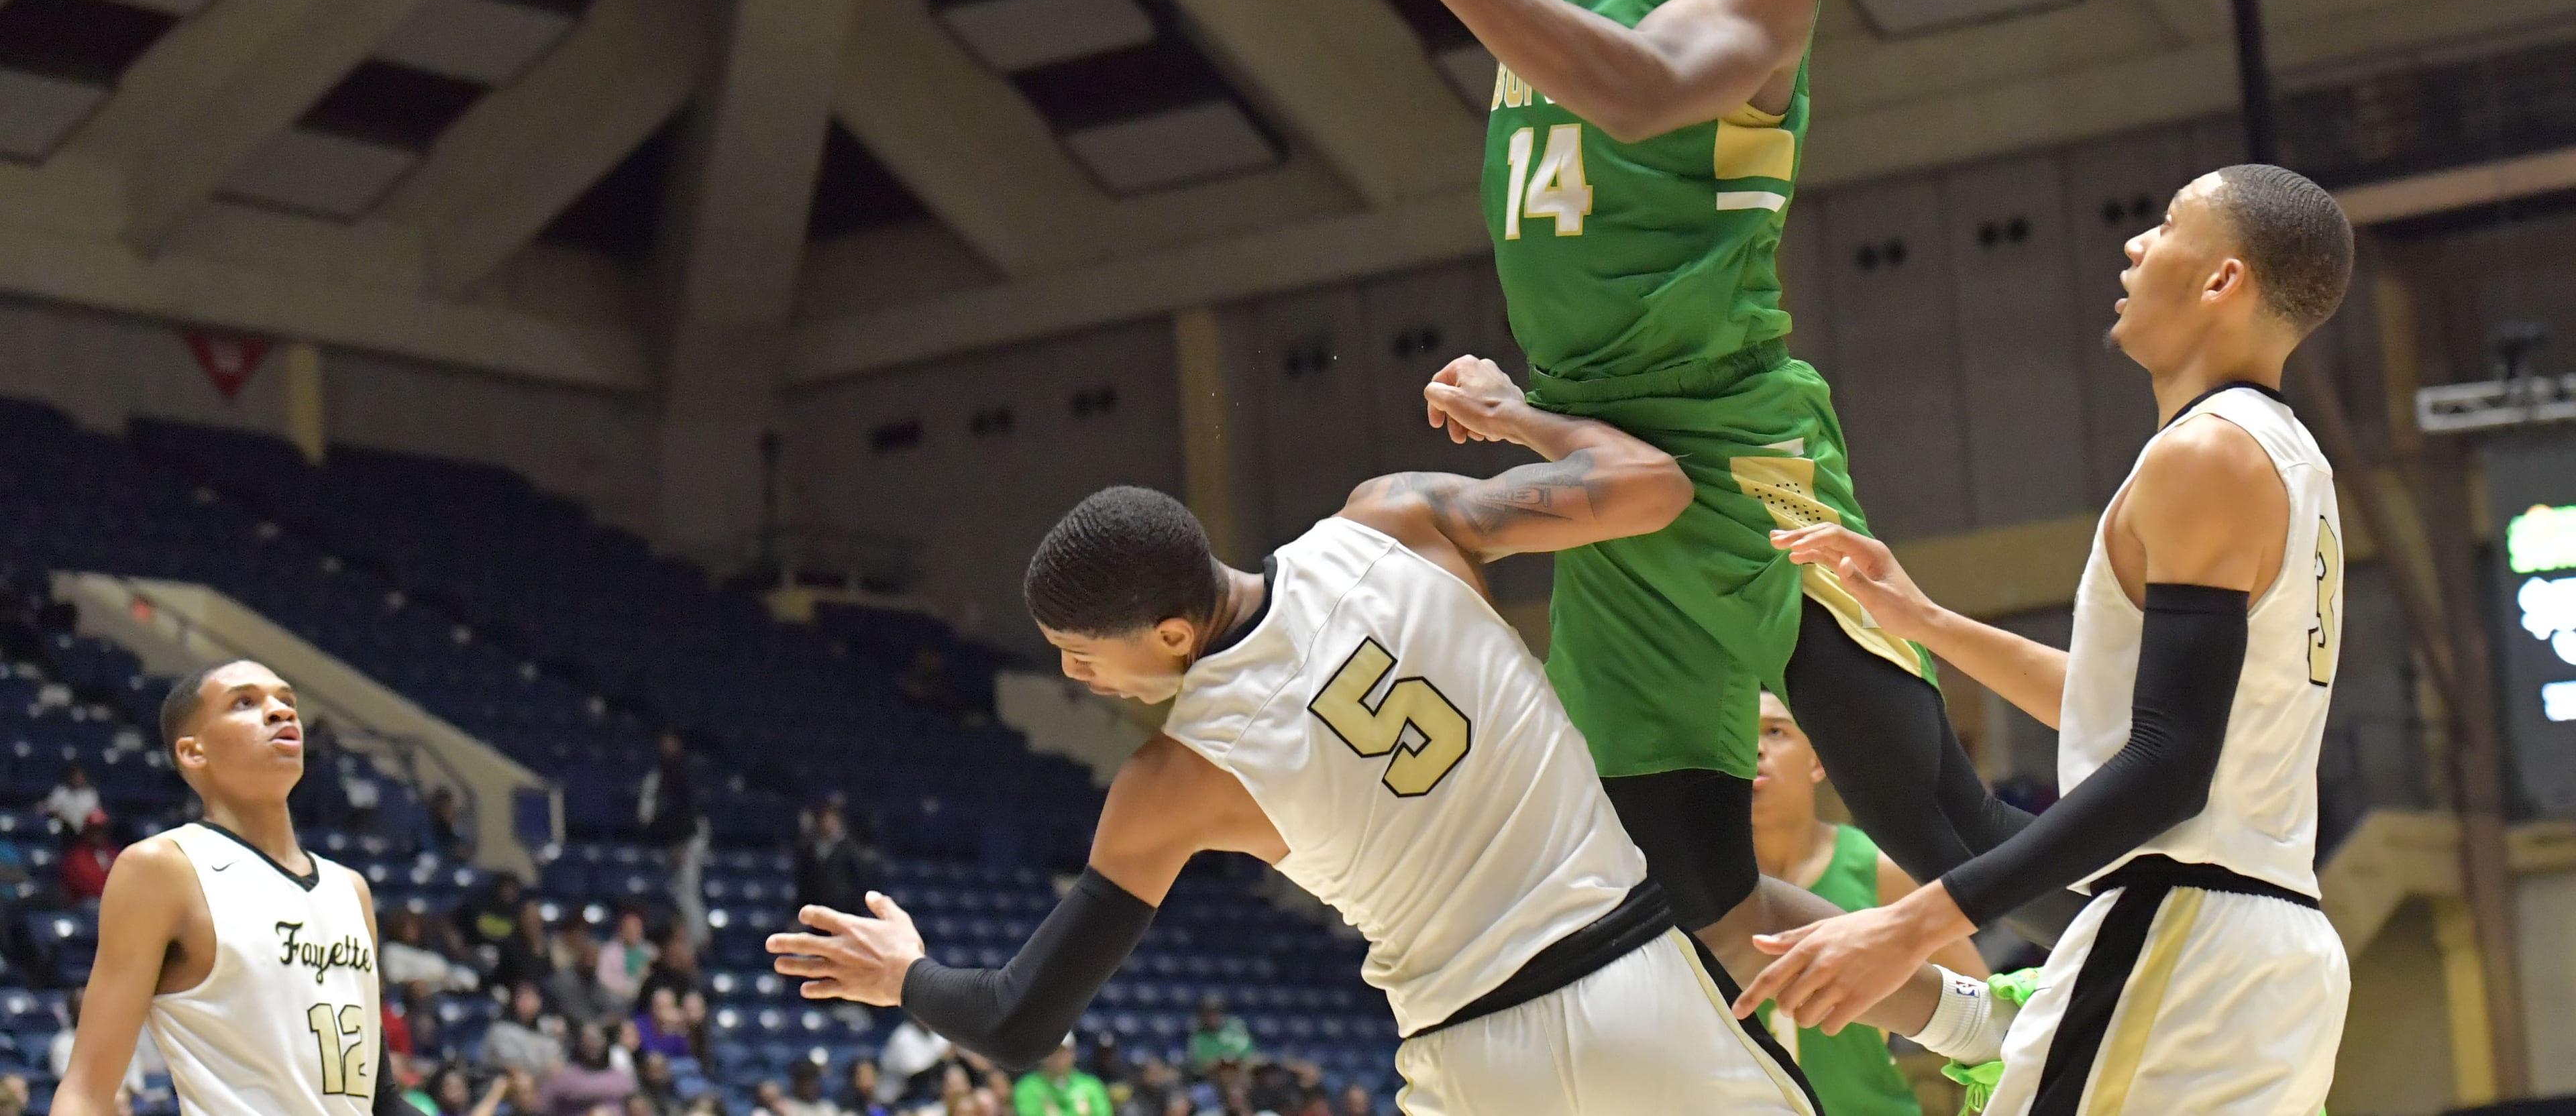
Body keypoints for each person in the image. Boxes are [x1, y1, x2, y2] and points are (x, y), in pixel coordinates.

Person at [1299, 0, 2056, 961]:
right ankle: (1962, 1043)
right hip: (1597, 458)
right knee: (1687, 894)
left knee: (1934, 825)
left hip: (1740, 448)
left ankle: (2177, 991)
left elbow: (1639, 92)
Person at [768, 355, 1972, 1113]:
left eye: (1086, 653)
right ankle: (1998, 1026)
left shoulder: (1171, 778)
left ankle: (1994, 1024)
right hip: (1636, 992)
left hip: (1469, 1062)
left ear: (1176, 631)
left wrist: (902, 975)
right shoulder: (1395, 522)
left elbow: (1022, 1018)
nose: (1074, 675)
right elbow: (1651, 483)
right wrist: (1513, 413)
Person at [1737, 167, 2357, 1116]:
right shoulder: (2283, 453)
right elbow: (2146, 711)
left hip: (2184, 935)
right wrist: (1929, 622)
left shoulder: (2205, 454)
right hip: (2263, 949)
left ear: (2223, 281)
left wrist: (1913, 921)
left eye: (2166, 222)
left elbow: (2168, 765)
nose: (2137, 243)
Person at [52, 659, 405, 1116]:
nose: (281, 711)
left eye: (286, 700)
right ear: (194, 751)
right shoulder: (164, 868)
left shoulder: (350, 889)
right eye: (245, 702)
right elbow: (86, 1092)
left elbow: (381, 1101)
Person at [1748, 693, 1986, 1116]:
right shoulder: (1698, 889)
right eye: (1738, 735)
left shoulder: (1880, 871)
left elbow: (1986, 1005)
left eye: (1775, 731)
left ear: (1817, 761)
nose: (1755, 747)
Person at [637, 737, 705, 950]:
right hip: (675, 842)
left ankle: (698, 940)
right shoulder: (663, 775)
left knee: (686, 893)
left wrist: (682, 845)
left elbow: (687, 812)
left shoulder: (681, 774)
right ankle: (689, 939)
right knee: (679, 893)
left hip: (685, 841)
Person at [794, 803, 871, 917]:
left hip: (845, 910)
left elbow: (859, 878)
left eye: (830, 819)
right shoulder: (809, 850)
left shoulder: (850, 849)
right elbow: (804, 883)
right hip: (817, 910)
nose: (827, 823)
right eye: (824, 819)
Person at [542, 1025, 635, 1116]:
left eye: (597, 1039)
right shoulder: (564, 1077)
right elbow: (543, 1105)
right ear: (580, 1043)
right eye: (589, 1039)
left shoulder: (620, 1078)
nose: (594, 1044)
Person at [484, 981, 566, 1076]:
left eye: (532, 997)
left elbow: (555, 1060)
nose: (529, 1002)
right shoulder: (501, 1030)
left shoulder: (547, 1026)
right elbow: (511, 1066)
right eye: (523, 997)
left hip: (542, 1079)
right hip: (506, 1079)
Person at [1008, 1042, 1108, 1116]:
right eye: (1053, 1051)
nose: (1058, 1057)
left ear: (1073, 1053)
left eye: (1063, 1051)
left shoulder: (1091, 1085)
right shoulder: (1027, 1087)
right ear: (1042, 1055)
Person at [58, 810, 119, 903]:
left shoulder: (113, 853)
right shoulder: (76, 857)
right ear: (86, 832)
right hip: (86, 904)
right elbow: (89, 885)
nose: (98, 834)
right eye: (94, 831)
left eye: (102, 830)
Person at [595, 911, 652, 1011]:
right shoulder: (609, 952)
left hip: (644, 994)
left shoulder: (650, 951)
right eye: (629, 929)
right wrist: (623, 990)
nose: (633, 932)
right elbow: (603, 978)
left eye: (636, 929)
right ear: (621, 931)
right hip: (617, 996)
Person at [1183, 997, 1249, 1078]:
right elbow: (1197, 1067)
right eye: (1208, 1013)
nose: (1213, 1017)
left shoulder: (1235, 1030)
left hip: (1239, 1077)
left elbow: (1250, 1057)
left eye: (1217, 1012)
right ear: (1201, 1016)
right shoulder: (1197, 1036)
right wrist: (1220, 1062)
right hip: (1209, 1080)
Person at [42, 763, 101, 837]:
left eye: (80, 777)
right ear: (70, 778)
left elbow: (95, 812)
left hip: (86, 830)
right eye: (75, 777)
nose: (77, 779)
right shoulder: (60, 792)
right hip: (64, 830)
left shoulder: (91, 793)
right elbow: (51, 810)